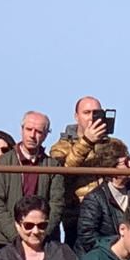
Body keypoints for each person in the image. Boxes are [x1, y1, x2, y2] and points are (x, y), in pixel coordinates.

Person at [0, 111, 64, 247]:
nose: (32, 135)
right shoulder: (3, 163)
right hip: (5, 242)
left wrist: (40, 233)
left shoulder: (53, 166)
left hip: (45, 242)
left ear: (46, 135)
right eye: (28, 129)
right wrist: (17, 236)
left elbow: (57, 205)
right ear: (21, 130)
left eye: (38, 131)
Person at [48, 96, 112, 246]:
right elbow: (62, 173)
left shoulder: (112, 144)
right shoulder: (60, 147)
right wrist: (87, 142)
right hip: (76, 217)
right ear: (76, 117)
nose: (91, 117)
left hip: (108, 216)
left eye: (96, 113)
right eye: (86, 112)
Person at [75, 137, 130, 254]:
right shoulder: (94, 199)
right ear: (112, 167)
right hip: (103, 259)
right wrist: (117, 247)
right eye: (125, 162)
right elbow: (87, 236)